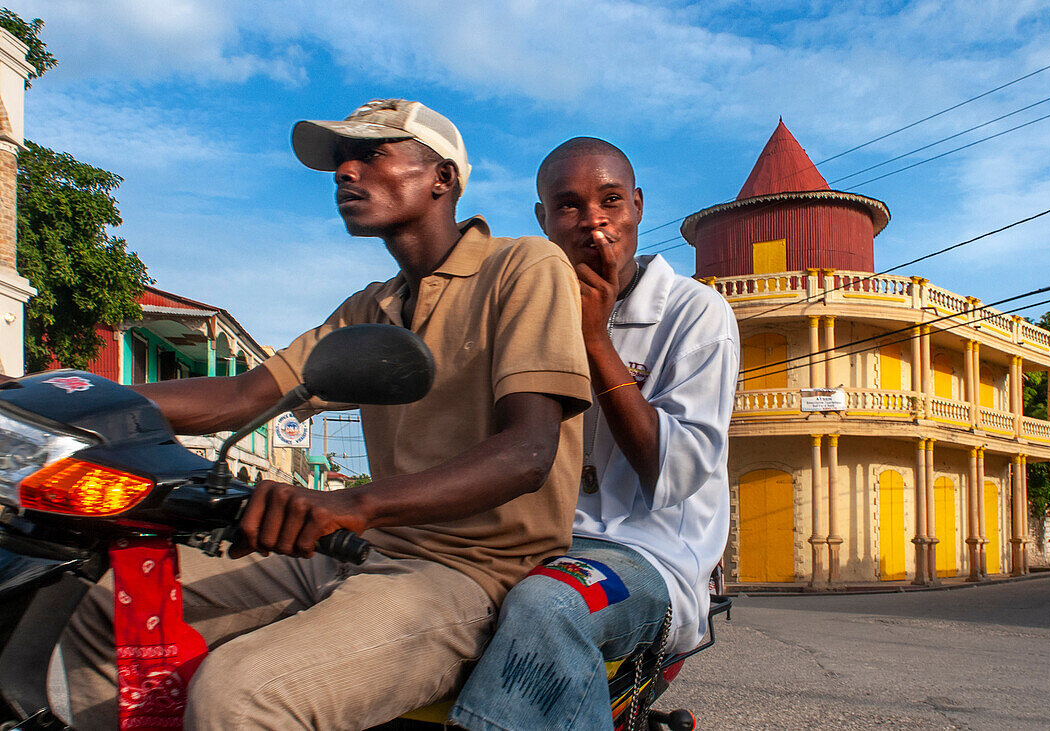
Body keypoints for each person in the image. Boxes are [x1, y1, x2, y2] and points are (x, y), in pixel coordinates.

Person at [54, 100, 592, 730]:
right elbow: (244, 395)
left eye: (371, 154)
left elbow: (526, 455)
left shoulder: (524, 266)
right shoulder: (372, 305)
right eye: (339, 161)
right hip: (355, 547)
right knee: (105, 610)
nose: (346, 172)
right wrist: (68, 395)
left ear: (442, 177)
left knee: (239, 694)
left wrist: (354, 504)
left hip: (467, 571)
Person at [449, 137, 739, 731]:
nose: (594, 221)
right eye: (569, 205)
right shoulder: (523, 314)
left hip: (647, 557)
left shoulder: (695, 313)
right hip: (534, 542)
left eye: (611, 200)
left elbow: (673, 471)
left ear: (637, 205)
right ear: (544, 220)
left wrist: (594, 339)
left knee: (550, 605)